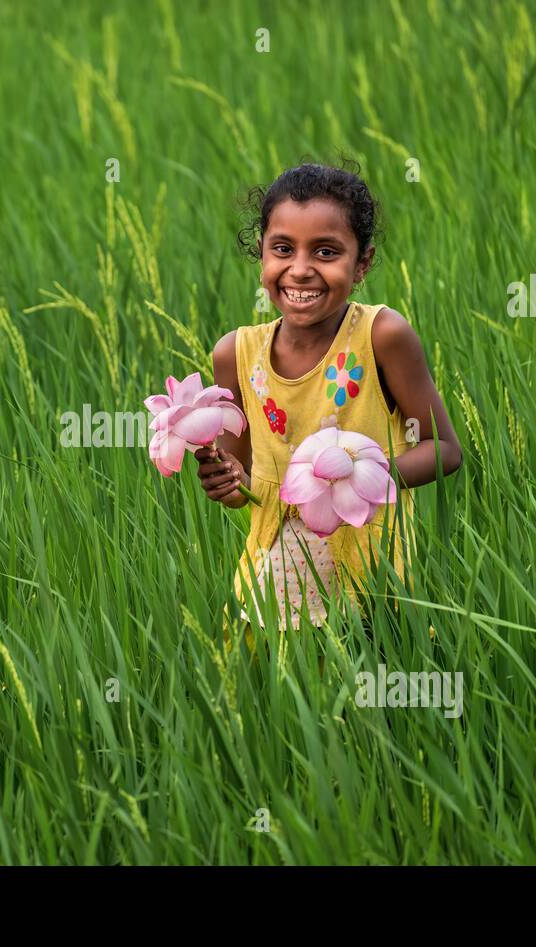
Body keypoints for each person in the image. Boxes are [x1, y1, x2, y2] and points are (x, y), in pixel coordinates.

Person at [196, 161, 463, 652]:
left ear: (361, 264)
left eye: (326, 251)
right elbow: (242, 477)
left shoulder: (381, 336)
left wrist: (354, 478)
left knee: (367, 700)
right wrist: (225, 479)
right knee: (278, 705)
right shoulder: (234, 354)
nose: (300, 269)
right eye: (282, 249)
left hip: (369, 579)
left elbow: (444, 450)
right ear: (261, 255)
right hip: (271, 580)